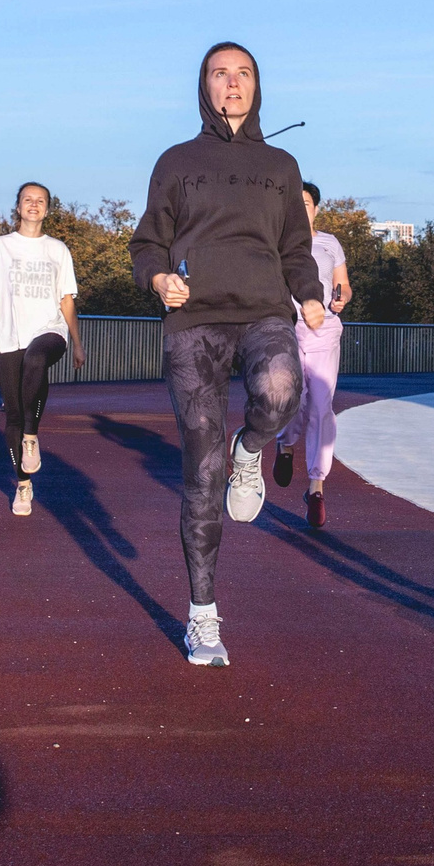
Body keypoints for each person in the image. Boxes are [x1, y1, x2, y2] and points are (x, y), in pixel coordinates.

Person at [130, 42, 326, 666]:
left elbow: (297, 246)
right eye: (220, 74)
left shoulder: (281, 165)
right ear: (204, 87)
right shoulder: (177, 161)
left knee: (278, 393)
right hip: (194, 323)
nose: (232, 84)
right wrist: (159, 281)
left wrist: (311, 296)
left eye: (243, 74)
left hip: (265, 312)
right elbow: (146, 244)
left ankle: (252, 449)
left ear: (257, 86)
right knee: (202, 468)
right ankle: (203, 616)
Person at [0, 182, 84, 515]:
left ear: (48, 209)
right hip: (7, 336)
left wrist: (77, 342)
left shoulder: (58, 250)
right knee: (14, 414)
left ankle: (31, 437)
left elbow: (66, 300)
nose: (34, 205)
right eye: (27, 200)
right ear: (18, 207)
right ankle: (23, 485)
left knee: (36, 358)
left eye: (41, 201)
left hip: (49, 330)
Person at [272, 182, 352, 529]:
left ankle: (316, 487)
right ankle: (286, 445)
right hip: (286, 327)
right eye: (296, 202)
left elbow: (344, 284)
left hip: (324, 328)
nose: (301, 208)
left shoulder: (329, 243)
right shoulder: (277, 243)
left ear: (316, 208)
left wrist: (341, 297)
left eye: (306, 203)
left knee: (321, 404)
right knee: (292, 397)